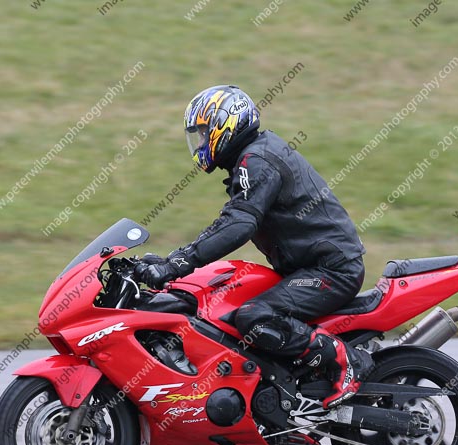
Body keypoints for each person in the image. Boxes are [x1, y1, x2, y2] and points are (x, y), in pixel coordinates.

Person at [138, 85, 373, 409]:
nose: (201, 143)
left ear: (227, 123)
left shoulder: (258, 160)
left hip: (331, 270)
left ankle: (346, 362)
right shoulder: (254, 156)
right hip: (309, 266)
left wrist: (179, 262)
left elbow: (238, 225)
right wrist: (172, 260)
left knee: (255, 316)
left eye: (205, 133)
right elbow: (230, 221)